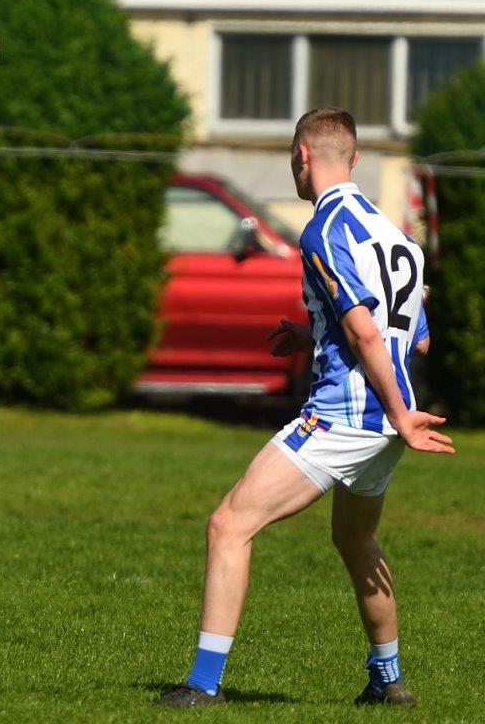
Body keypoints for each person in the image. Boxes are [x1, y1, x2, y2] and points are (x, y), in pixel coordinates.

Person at [157, 107, 455, 707]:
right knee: (355, 540)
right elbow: (412, 337)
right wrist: (314, 332)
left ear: (301, 159)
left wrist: (395, 413)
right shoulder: (398, 237)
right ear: (355, 160)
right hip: (387, 426)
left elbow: (368, 333)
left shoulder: (324, 231)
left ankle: (203, 686)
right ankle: (387, 679)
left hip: (351, 417)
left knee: (229, 525)